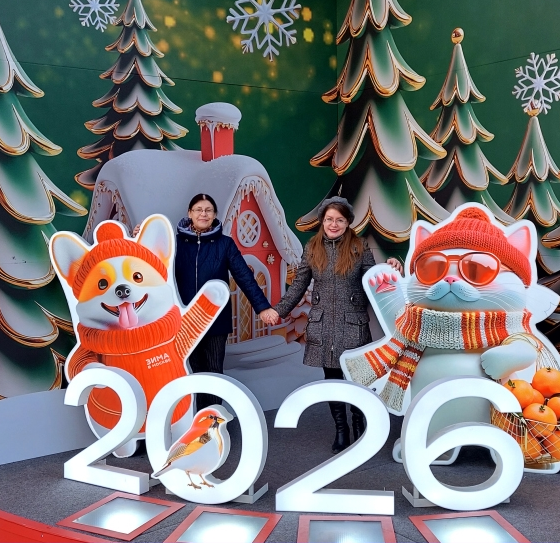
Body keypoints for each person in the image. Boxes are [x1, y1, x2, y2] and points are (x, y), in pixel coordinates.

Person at [263, 196, 403, 453]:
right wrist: (278, 310)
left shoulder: (359, 247)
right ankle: (341, 429)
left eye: (339, 220)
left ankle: (359, 422)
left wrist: (390, 269)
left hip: (353, 324)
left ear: (348, 222)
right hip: (324, 325)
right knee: (333, 380)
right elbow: (298, 286)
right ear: (322, 221)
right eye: (329, 219)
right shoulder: (312, 248)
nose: (333, 224)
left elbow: (373, 281)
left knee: (357, 379)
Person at [162, 193, 277, 411]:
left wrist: (262, 308)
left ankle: (214, 421)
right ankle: (196, 422)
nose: (203, 214)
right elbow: (151, 261)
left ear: (215, 215)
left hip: (215, 320)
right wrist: (138, 234)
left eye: (208, 210)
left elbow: (244, 276)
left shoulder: (225, 244)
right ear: (189, 213)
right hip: (184, 320)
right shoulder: (174, 243)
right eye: (198, 209)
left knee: (214, 370)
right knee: (192, 372)